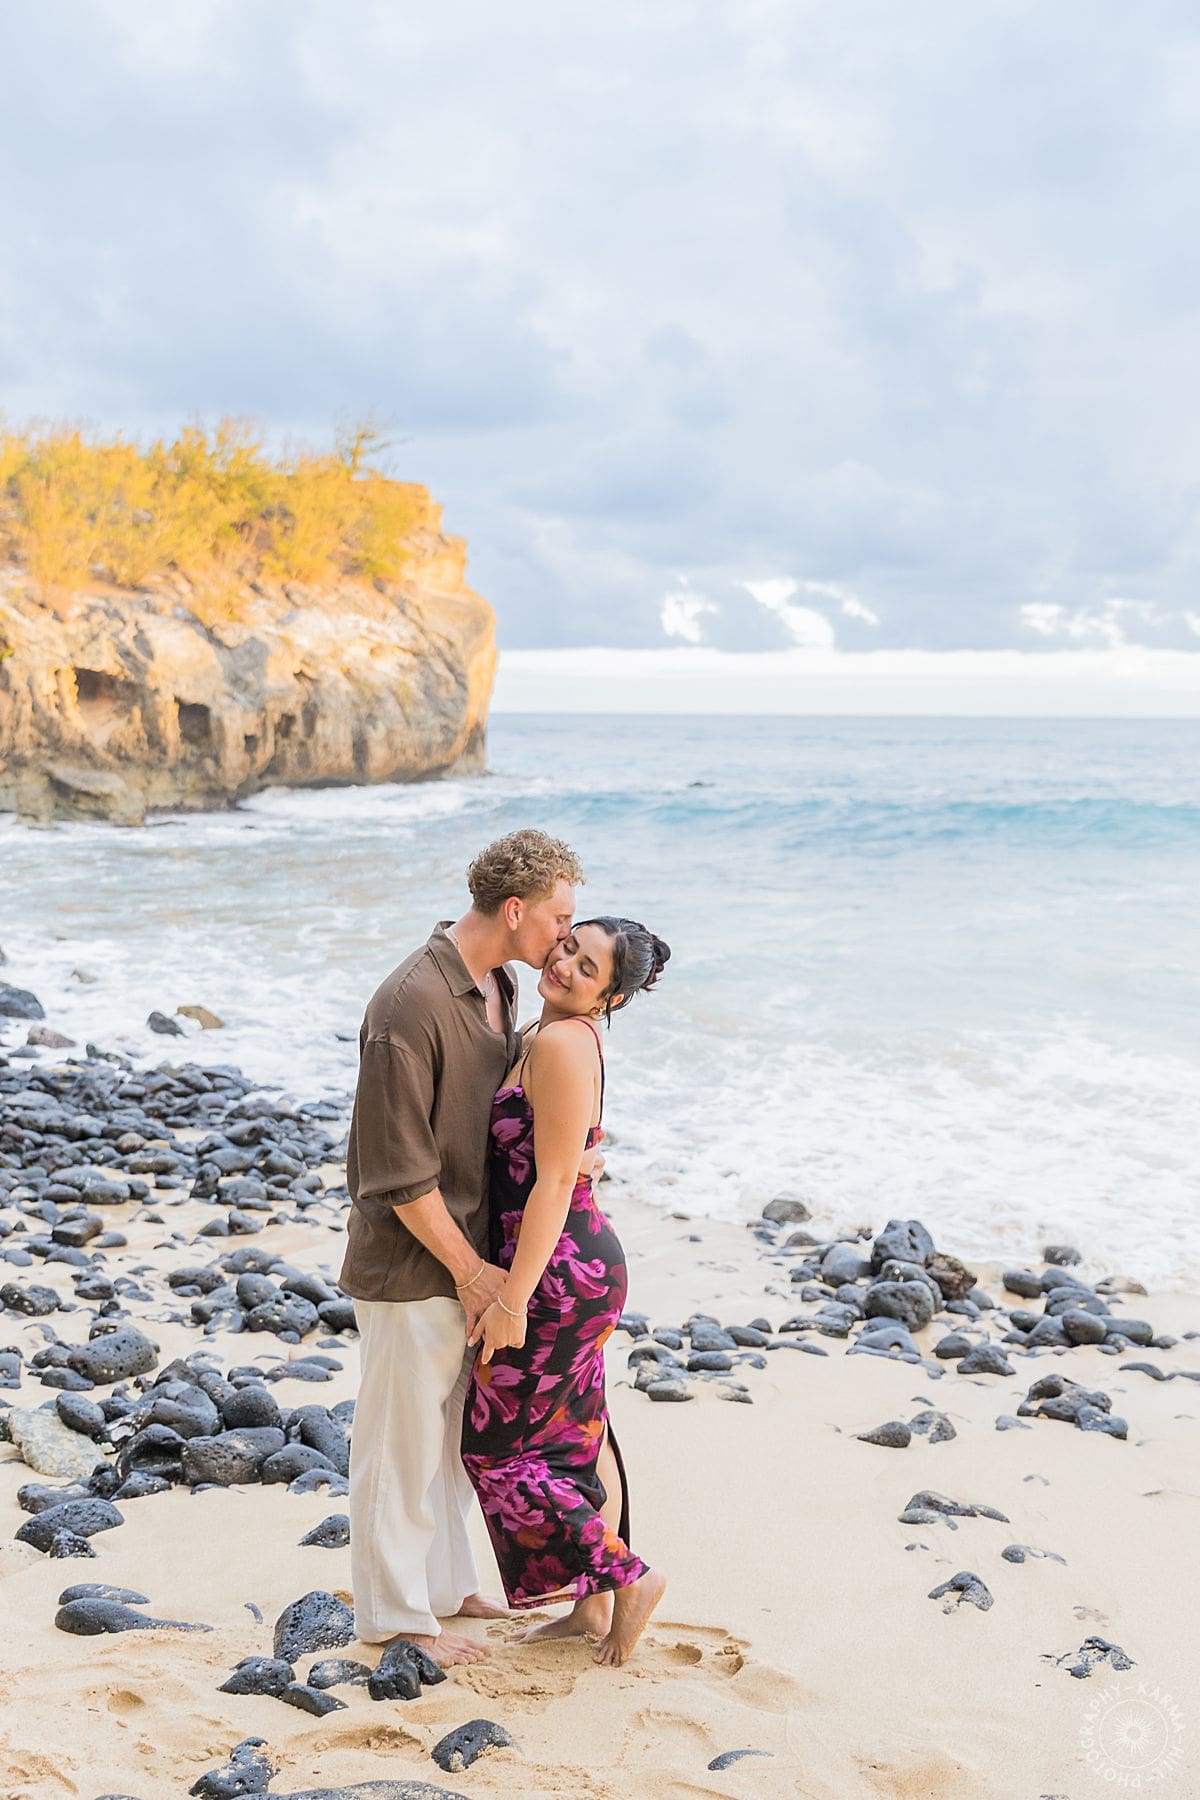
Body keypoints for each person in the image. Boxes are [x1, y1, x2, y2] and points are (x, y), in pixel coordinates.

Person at [339, 828, 585, 1667]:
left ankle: (444, 1591)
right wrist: (476, 1272)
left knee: (445, 1442)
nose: (565, 936)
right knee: (397, 1446)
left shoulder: (498, 986)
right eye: (560, 917)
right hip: (414, 1262)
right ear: (515, 910)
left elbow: (495, 1110)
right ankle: (395, 1617)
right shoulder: (408, 1003)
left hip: (466, 1256)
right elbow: (396, 1175)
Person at [461, 916, 670, 1667]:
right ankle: (590, 1610)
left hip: (556, 1272)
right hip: (573, 1261)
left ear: (610, 997)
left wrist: (512, 1300)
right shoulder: (548, 1033)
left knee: (494, 1448)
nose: (565, 964)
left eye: (588, 968)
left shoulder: (555, 1042)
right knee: (571, 1440)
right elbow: (567, 1152)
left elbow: (551, 1181)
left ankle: (628, 1580)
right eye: (568, 946)